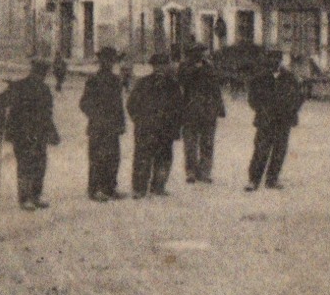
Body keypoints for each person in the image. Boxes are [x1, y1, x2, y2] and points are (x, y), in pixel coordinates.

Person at [0, 59, 59, 210]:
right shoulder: (19, 87)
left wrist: (52, 133)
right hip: (21, 133)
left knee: (40, 164)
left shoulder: (44, 90)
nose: (41, 76)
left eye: (42, 74)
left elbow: (47, 115)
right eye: (39, 73)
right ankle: (25, 199)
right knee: (25, 164)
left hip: (39, 134)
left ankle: (35, 196)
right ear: (34, 72)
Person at [127, 52, 184, 197]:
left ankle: (159, 186)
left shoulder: (173, 86)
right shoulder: (143, 83)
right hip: (146, 128)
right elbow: (131, 104)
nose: (160, 68)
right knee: (142, 158)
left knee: (164, 157)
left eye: (163, 65)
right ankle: (139, 189)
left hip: (165, 128)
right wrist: (139, 120)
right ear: (152, 67)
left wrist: (176, 127)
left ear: (167, 67)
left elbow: (179, 107)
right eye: (157, 65)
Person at [246, 50, 304, 191]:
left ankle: (272, 179)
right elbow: (252, 98)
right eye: (270, 60)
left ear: (280, 61)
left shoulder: (290, 78)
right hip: (265, 120)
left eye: (276, 60)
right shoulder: (259, 78)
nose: (273, 63)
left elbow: (299, 96)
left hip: (283, 120)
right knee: (260, 150)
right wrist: (261, 109)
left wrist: (291, 110)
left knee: (279, 150)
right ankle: (254, 180)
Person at [79, 46, 127, 201]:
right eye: (105, 60)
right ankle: (95, 189)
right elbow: (84, 103)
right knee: (97, 158)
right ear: (100, 62)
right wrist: (97, 116)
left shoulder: (116, 81)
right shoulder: (93, 80)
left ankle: (110, 187)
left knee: (113, 158)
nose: (109, 63)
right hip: (98, 127)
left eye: (111, 60)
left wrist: (121, 123)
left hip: (112, 126)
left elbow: (119, 105)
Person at [179, 43, 226, 183]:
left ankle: (205, 172)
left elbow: (216, 88)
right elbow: (182, 81)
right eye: (201, 53)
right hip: (190, 110)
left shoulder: (210, 67)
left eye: (205, 52)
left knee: (207, 142)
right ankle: (191, 172)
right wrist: (195, 69)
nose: (205, 55)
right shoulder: (185, 67)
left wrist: (220, 107)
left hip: (208, 111)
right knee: (190, 144)